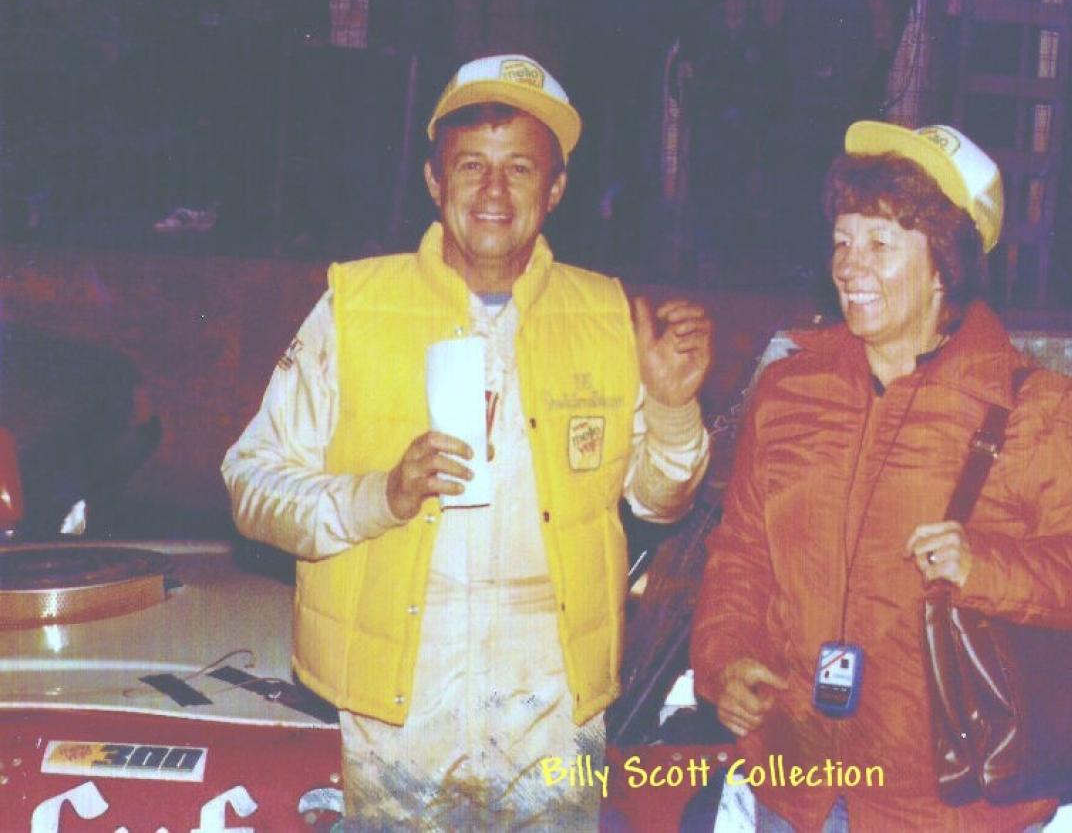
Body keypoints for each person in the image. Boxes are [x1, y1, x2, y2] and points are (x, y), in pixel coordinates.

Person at [223, 53, 712, 829]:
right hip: (400, 710)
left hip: (552, 707)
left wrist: (675, 406)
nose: (493, 191)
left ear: (555, 190)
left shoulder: (605, 315)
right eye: (471, 165)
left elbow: (659, 499)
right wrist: (378, 496)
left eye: (520, 168)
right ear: (433, 179)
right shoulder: (356, 306)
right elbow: (250, 482)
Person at [690, 121, 1072, 832]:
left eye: (880, 245)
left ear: (943, 266)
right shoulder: (789, 391)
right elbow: (741, 552)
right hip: (792, 789)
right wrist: (725, 659)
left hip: (949, 808)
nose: (849, 266)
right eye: (842, 241)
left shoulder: (1036, 410)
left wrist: (989, 568)